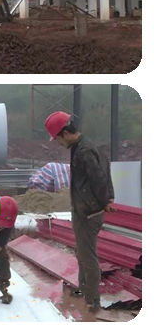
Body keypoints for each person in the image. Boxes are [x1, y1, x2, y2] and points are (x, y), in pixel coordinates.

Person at [45, 111, 115, 312]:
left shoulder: (84, 151)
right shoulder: (84, 147)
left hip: (89, 212)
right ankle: (85, 291)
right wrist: (108, 198)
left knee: (88, 256)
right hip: (85, 209)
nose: (58, 143)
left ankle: (93, 302)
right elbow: (105, 171)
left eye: (57, 139)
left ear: (65, 133)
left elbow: (99, 178)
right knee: (83, 253)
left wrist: (104, 200)